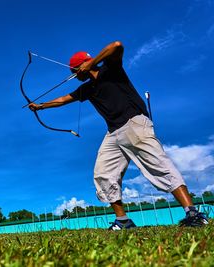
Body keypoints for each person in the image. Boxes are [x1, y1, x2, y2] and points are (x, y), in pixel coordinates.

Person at [28, 41, 209, 230]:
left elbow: (116, 45)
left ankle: (194, 214)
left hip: (135, 123)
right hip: (114, 132)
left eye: (74, 71)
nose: (73, 76)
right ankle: (123, 221)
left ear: (82, 66)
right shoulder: (86, 89)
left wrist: (92, 62)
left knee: (159, 166)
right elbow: (63, 99)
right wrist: (40, 106)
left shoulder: (111, 69)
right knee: (103, 174)